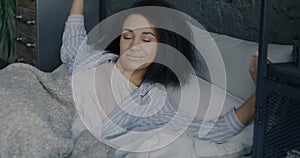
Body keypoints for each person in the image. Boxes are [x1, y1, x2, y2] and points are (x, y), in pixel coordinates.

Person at [61, 0, 257, 146]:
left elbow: (214, 132)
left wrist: (260, 91)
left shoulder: (152, 103)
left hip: (62, 129)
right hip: (50, 96)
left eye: (146, 40)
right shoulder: (98, 58)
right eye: (127, 36)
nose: (133, 46)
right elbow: (72, 46)